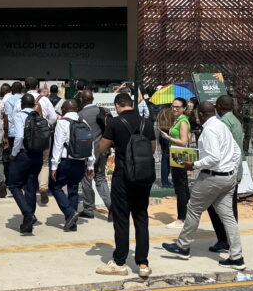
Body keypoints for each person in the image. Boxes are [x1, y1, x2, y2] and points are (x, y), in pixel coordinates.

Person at [161, 102, 245, 269]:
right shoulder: (221, 126)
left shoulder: (209, 130)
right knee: (228, 217)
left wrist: (194, 164)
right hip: (228, 177)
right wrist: (232, 170)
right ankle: (237, 257)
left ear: (200, 114)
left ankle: (182, 246)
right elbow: (236, 151)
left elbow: (213, 157)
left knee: (193, 208)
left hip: (213, 177)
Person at [96, 92, 155, 279]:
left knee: (121, 219)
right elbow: (152, 148)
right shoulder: (146, 122)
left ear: (117, 106)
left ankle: (120, 261)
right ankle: (143, 263)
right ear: (131, 104)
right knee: (141, 217)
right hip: (143, 176)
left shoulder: (114, 123)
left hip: (123, 176)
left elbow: (102, 148)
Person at [49, 100, 94, 231]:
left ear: (65, 109)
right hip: (81, 162)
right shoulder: (84, 123)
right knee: (73, 189)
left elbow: (57, 145)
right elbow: (89, 144)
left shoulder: (62, 123)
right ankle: (72, 223)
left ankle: (69, 213)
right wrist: (90, 165)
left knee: (54, 186)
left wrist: (54, 166)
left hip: (65, 161)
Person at [209, 95, 243, 255]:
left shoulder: (222, 123)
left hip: (222, 170)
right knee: (231, 207)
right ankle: (231, 240)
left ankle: (224, 239)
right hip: (235, 169)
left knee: (213, 206)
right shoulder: (236, 121)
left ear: (220, 106)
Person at [7, 94, 42, 235]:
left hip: (24, 154)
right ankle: (28, 223)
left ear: (21, 104)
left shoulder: (20, 116)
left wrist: (14, 153)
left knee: (13, 185)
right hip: (37, 155)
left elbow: (20, 136)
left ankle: (28, 214)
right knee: (31, 187)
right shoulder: (38, 116)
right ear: (34, 104)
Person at [157, 98, 191, 229]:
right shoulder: (177, 120)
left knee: (180, 187)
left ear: (184, 108)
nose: (175, 109)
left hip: (180, 154)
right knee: (183, 186)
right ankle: (187, 216)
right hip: (176, 154)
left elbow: (184, 141)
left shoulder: (183, 122)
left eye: (178, 107)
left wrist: (168, 138)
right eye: (173, 106)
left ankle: (181, 219)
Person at [77, 90, 110, 220]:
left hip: (87, 152)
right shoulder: (102, 111)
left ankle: (89, 208)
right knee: (101, 178)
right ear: (92, 98)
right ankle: (111, 206)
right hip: (103, 149)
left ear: (82, 100)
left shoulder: (80, 115)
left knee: (86, 179)